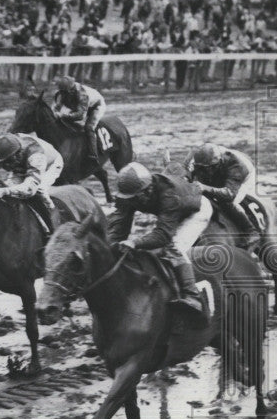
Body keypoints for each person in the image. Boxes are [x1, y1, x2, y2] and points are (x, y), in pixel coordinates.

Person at [107, 162, 212, 327]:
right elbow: (121, 221)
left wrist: (135, 242)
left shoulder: (170, 196)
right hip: (170, 210)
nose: (131, 202)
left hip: (196, 211)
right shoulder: (134, 192)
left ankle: (193, 296)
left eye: (135, 198)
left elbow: (163, 235)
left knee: (173, 247)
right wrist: (112, 244)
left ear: (148, 190)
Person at [0, 133, 62, 233]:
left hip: (51, 164)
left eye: (9, 161)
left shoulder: (36, 157)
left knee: (40, 191)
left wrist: (5, 191)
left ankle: (53, 226)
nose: (6, 165)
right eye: (4, 162)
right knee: (9, 184)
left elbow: (30, 189)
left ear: (17, 154)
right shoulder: (5, 149)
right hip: (25, 160)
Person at [185, 143, 260, 249]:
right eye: (203, 169)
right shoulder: (196, 162)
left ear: (218, 163)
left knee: (227, 201)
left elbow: (230, 194)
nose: (208, 172)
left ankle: (251, 231)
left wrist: (205, 187)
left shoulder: (236, 165)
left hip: (245, 174)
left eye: (211, 168)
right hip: (217, 168)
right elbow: (186, 177)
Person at [53, 75, 106, 165]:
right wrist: (54, 112)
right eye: (61, 91)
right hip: (79, 106)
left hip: (96, 106)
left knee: (89, 127)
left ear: (69, 89)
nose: (62, 93)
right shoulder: (63, 91)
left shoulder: (82, 94)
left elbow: (80, 115)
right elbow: (56, 106)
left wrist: (62, 114)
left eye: (64, 91)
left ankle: (93, 154)